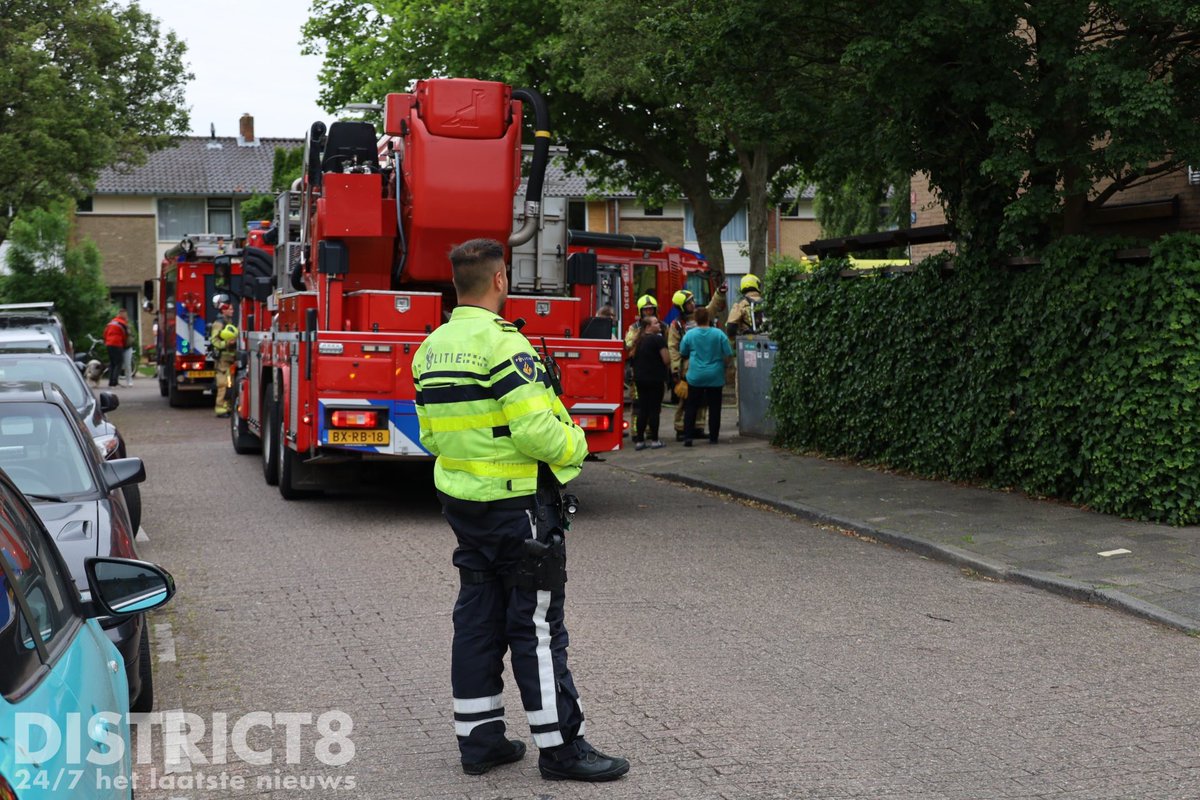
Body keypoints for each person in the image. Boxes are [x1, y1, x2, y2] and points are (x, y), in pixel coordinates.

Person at [412, 238, 630, 783]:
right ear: (500, 281)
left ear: (456, 284)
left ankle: (480, 741)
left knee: (477, 620)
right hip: (517, 505)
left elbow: (431, 435)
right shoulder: (505, 346)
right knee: (535, 626)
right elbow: (536, 429)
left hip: (464, 505)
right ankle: (561, 751)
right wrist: (577, 446)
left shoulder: (431, 348)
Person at [667, 286, 727, 441]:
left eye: (692, 301)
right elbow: (673, 348)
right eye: (688, 303)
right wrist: (675, 369)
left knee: (702, 402)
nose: (693, 304)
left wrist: (719, 293)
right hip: (687, 368)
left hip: (697, 369)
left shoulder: (700, 316)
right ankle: (681, 429)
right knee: (685, 401)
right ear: (681, 307)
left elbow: (713, 306)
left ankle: (698, 428)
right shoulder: (676, 325)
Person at [680, 306, 733, 446]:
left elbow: (683, 351)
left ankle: (688, 437)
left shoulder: (690, 335)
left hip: (695, 375)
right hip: (715, 376)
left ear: (696, 319)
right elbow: (728, 354)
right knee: (715, 407)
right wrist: (725, 367)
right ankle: (714, 437)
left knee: (691, 406)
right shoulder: (719, 334)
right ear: (709, 319)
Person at [630, 316, 669, 450]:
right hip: (655, 379)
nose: (659, 325)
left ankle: (640, 441)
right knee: (654, 409)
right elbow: (666, 359)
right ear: (648, 326)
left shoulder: (638, 341)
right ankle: (655, 440)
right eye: (655, 323)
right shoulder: (658, 339)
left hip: (640, 379)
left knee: (643, 409)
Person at [623, 294, 658, 437]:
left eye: (651, 310)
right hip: (638, 371)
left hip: (655, 371)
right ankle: (637, 432)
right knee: (638, 404)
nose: (648, 312)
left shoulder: (661, 326)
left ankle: (651, 430)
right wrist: (640, 333)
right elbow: (628, 345)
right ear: (640, 311)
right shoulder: (634, 328)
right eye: (646, 310)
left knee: (654, 404)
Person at [210, 302, 237, 418]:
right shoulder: (219, 324)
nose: (232, 311)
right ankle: (220, 409)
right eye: (230, 309)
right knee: (223, 384)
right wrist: (226, 343)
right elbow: (214, 341)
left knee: (230, 384)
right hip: (222, 360)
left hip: (230, 358)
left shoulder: (229, 322)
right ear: (223, 311)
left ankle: (228, 407)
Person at [725, 273, 766, 338]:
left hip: (748, 342)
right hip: (767, 341)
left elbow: (730, 328)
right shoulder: (765, 302)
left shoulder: (740, 305)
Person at [103, 309, 130, 388]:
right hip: (117, 344)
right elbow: (126, 336)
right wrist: (125, 345)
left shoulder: (111, 322)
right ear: (123, 315)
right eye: (125, 315)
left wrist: (107, 341)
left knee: (112, 363)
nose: (126, 316)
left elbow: (105, 333)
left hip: (109, 344)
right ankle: (115, 382)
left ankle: (110, 381)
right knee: (118, 363)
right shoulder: (123, 324)